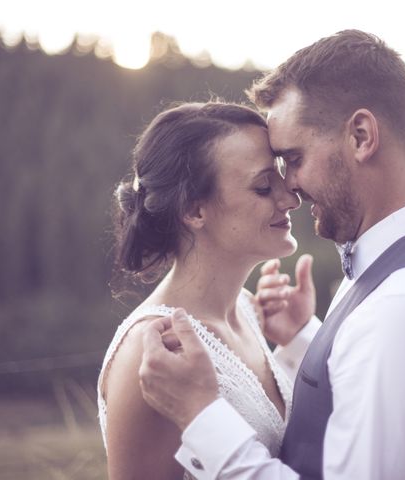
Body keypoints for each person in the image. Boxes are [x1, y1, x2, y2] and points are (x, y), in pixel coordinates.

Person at [139, 30, 405, 479]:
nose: (288, 186)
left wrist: (201, 416)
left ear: (362, 136)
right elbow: (369, 384)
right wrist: (304, 340)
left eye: (294, 158)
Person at [97, 101, 305, 479]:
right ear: (194, 212)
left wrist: (295, 345)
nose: (291, 198)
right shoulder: (155, 352)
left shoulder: (247, 309)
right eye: (263, 187)